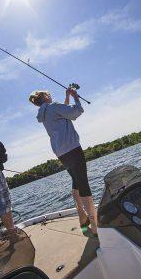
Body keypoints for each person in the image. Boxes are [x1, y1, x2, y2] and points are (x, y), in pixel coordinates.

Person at [29, 88, 98, 236]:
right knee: (83, 183)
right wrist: (75, 98)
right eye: (49, 94)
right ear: (46, 97)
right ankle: (94, 224)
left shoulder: (45, 112)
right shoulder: (54, 106)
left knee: (76, 181)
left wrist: (67, 96)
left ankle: (82, 217)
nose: (51, 95)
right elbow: (75, 112)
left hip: (61, 152)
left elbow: (63, 112)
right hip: (72, 148)